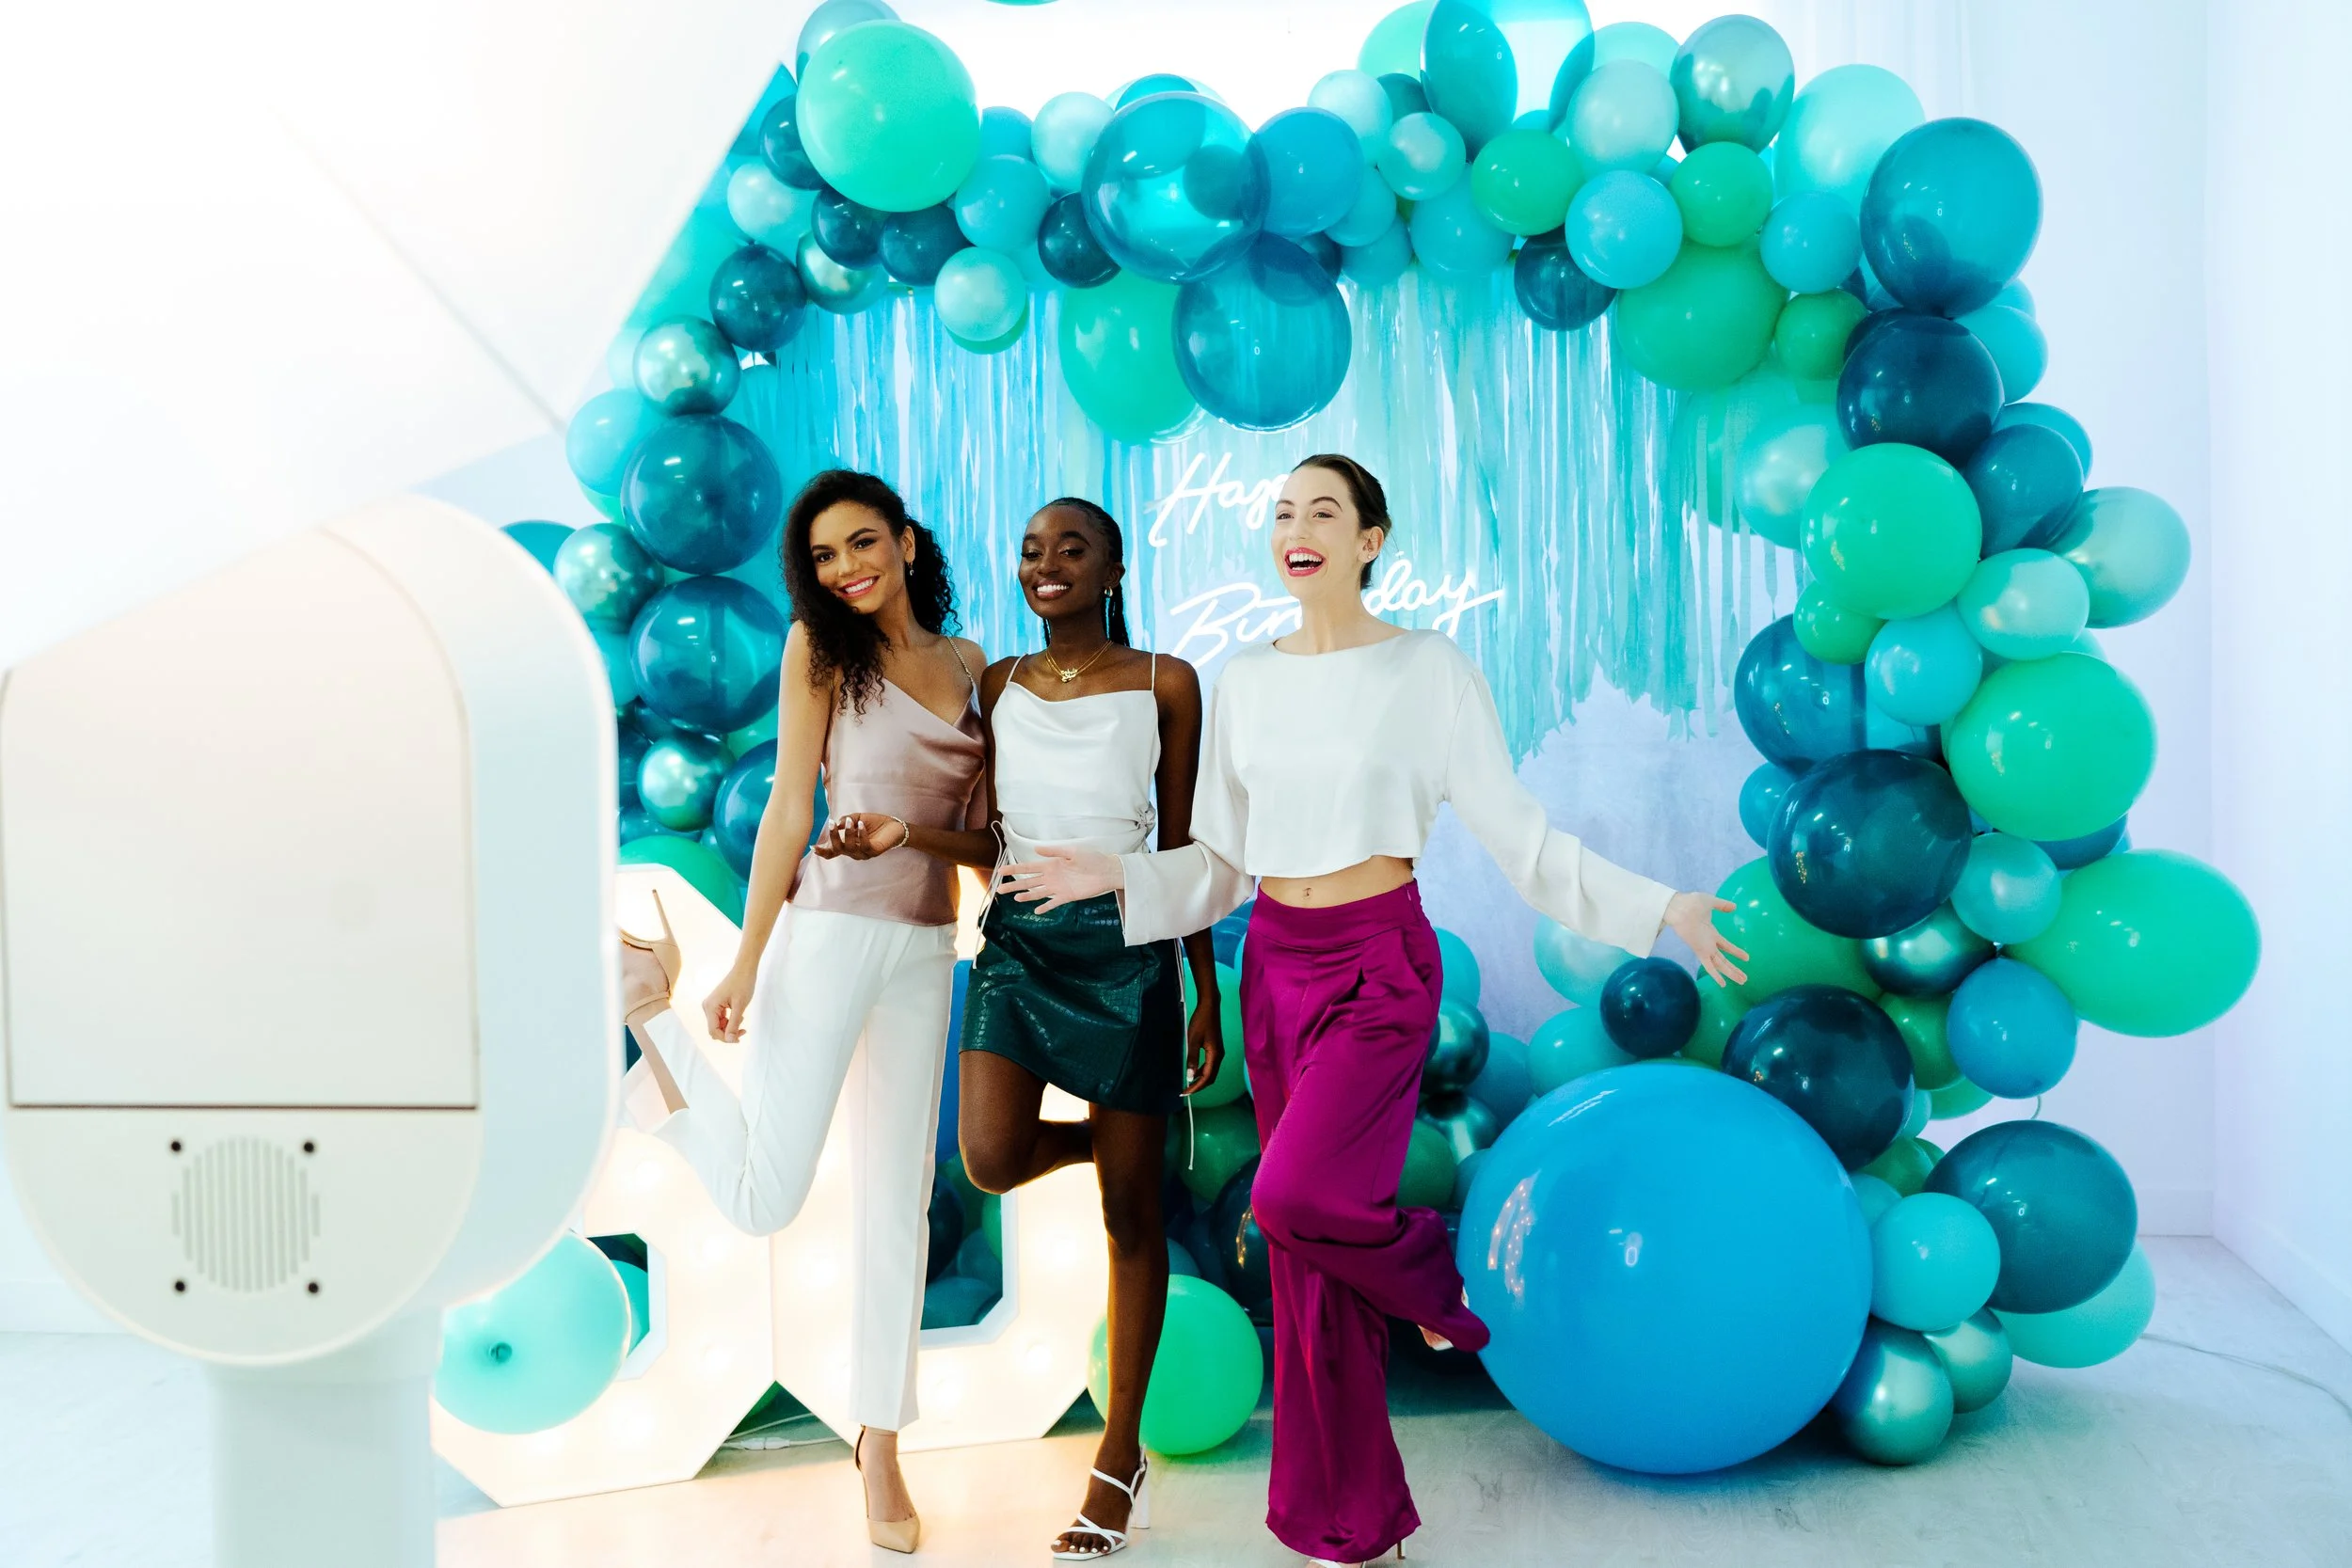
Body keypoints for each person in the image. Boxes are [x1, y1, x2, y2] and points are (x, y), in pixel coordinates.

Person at [999, 455, 1749, 1568]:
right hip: (1278, 969)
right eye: (1282, 513)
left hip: (1377, 964)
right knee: (1308, 1266)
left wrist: (1662, 904)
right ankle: (1347, 1526)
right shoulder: (1243, 679)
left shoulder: (1428, 668)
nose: (1296, 529)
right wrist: (1114, 878)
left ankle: (1438, 1275)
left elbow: (1522, 840)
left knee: (1296, 1197)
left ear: (1371, 540)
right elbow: (1215, 865)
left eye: (1323, 512)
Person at [827, 498, 1222, 1560]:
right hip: (1018, 945)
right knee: (991, 1155)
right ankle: (1130, 1150)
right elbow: (986, 833)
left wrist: (1203, 988)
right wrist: (904, 831)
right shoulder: (994, 683)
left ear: (1115, 564)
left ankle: (1119, 1453)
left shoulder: (1165, 681)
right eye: (1032, 549)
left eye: (1072, 549)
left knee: (1130, 1225)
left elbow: (1188, 845)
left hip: (1130, 950)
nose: (1046, 564)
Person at [616, 468, 986, 1555]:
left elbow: (981, 829)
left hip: (925, 946)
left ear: (907, 543)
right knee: (765, 1197)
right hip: (825, 935)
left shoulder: (971, 666)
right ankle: (652, 1009)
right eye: (823, 555)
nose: (844, 568)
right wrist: (744, 960)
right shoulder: (820, 650)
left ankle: (880, 1440)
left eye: (861, 543)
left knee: (897, 1205)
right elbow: (789, 800)